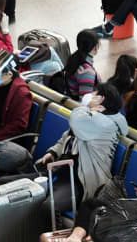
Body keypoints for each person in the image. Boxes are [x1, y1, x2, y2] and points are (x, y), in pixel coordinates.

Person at [38, 83, 128, 223]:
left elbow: (75, 120)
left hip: (80, 181)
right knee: (13, 185)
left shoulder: (105, 124)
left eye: (94, 94)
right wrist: (53, 152)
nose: (89, 96)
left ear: (101, 100)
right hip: (62, 170)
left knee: (48, 207)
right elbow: (66, 137)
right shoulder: (91, 117)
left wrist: (87, 107)